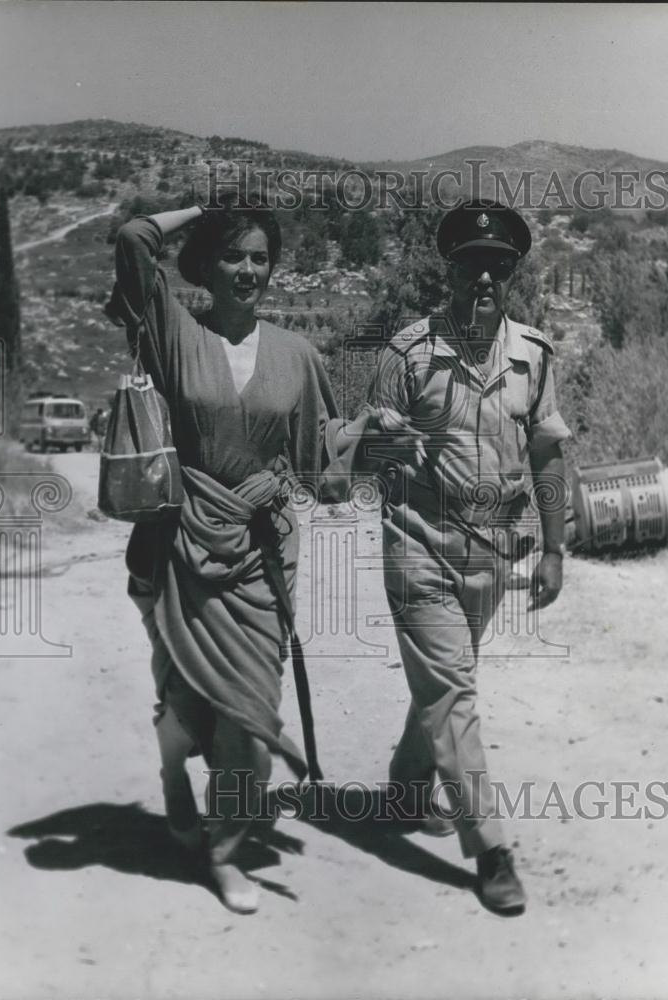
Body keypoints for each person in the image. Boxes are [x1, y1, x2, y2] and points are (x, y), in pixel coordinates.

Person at [104, 196, 408, 914]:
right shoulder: (174, 330)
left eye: (259, 257)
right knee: (185, 703)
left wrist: (372, 427)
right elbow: (132, 239)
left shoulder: (296, 356)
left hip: (261, 557)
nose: (247, 269)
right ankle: (174, 769)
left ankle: (224, 848)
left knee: (248, 712)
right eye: (233, 254)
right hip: (182, 544)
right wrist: (208, 208)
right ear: (206, 264)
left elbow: (323, 458)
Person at [365, 199, 571, 916]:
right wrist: (382, 439)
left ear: (511, 274)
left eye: (497, 268)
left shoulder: (533, 357)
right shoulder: (407, 354)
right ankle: (490, 850)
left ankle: (405, 786)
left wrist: (553, 547)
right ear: (447, 271)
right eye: (469, 266)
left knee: (445, 684)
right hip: (418, 543)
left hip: (493, 553)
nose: (483, 279)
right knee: (453, 692)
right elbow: (361, 456)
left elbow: (546, 452)